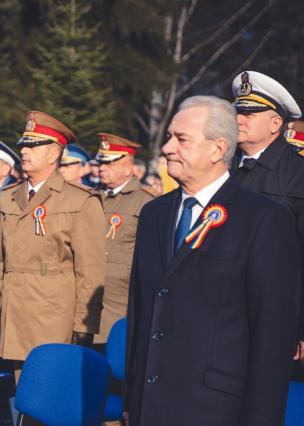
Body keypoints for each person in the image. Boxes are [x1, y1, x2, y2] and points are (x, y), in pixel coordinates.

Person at [125, 96, 299, 426]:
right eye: (168, 137)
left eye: (181, 139)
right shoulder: (153, 215)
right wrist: (134, 397)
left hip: (215, 410)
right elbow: (141, 312)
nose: (167, 148)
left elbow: (271, 336)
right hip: (150, 406)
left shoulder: (262, 219)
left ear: (217, 150)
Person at [0, 111, 106, 380]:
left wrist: (85, 326)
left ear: (54, 154)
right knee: (21, 401)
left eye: (34, 145)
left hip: (53, 319)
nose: (24, 150)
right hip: (14, 315)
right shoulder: (8, 198)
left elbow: (90, 271)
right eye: (24, 144)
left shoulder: (79, 201)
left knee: (49, 402)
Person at [230, 71, 304, 361]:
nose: (238, 119)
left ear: (276, 124)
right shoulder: (224, 169)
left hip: (275, 320)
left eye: (250, 113)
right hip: (223, 316)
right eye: (237, 110)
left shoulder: (297, 176)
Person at [94, 133, 155, 347]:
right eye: (101, 162)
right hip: (89, 300)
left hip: (119, 305)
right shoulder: (93, 198)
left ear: (129, 166)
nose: (102, 167)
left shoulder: (145, 203)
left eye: (109, 162)